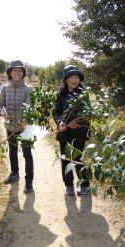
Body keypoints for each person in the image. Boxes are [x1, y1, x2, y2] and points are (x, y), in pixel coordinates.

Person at [0, 60, 34, 193]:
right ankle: (14, 174)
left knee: (27, 154)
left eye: (20, 71)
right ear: (10, 73)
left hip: (25, 128)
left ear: (23, 73)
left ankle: (29, 181)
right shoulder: (5, 88)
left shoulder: (28, 89)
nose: (17, 73)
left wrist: (27, 118)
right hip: (10, 126)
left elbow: (31, 108)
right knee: (12, 151)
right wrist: (1, 112)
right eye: (14, 71)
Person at [53, 65, 90, 196]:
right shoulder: (61, 94)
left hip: (79, 131)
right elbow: (56, 112)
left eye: (76, 77)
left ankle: (85, 184)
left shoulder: (83, 94)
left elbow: (88, 113)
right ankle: (68, 185)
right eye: (71, 77)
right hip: (64, 131)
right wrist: (60, 122)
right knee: (66, 159)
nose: (74, 80)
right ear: (66, 79)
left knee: (79, 158)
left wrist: (77, 122)